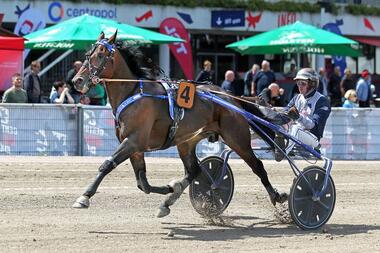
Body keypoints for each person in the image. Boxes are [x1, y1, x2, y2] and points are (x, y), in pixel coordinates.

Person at [274, 68, 331, 162]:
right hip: (295, 134)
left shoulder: (322, 101)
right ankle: (277, 148)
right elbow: (283, 116)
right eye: (298, 83)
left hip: (313, 138)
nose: (299, 86)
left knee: (296, 128)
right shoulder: (297, 98)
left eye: (303, 83)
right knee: (277, 125)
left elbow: (313, 126)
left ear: (312, 84)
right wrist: (269, 111)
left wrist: (298, 117)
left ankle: (283, 153)